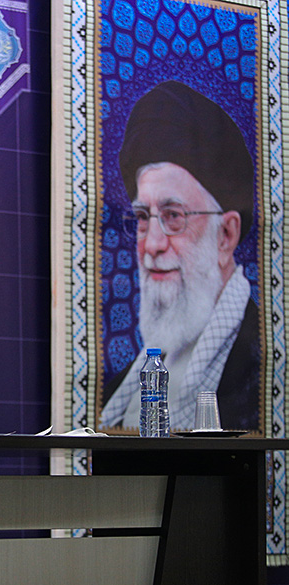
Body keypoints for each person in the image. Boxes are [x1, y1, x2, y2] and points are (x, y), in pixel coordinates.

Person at [99, 80, 261, 432]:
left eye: (173, 216)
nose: (152, 244)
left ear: (226, 235)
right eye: (143, 217)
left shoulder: (261, 365)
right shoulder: (124, 389)